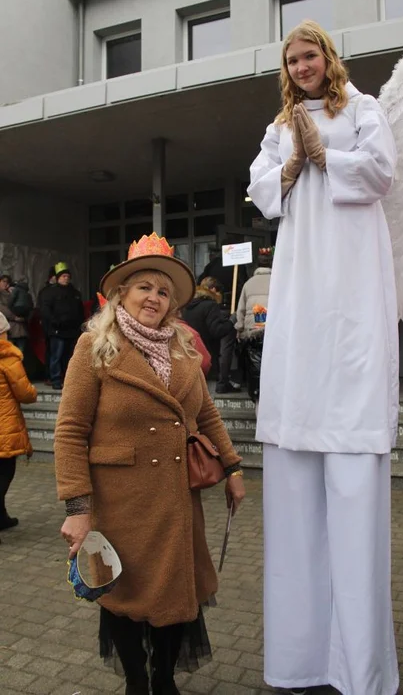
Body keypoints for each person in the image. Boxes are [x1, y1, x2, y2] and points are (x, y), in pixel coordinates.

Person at [248, 21, 399, 695]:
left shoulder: (362, 109)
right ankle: (300, 660)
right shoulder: (278, 124)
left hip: (353, 281)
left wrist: (326, 158)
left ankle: (360, 668)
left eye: (310, 54)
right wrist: (289, 164)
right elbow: (260, 189)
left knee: (354, 490)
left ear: (327, 58)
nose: (302, 65)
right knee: (293, 498)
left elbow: (382, 172)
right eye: (292, 58)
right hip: (301, 286)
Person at [54, 233, 245, 695]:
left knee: (178, 594)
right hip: (121, 504)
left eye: (163, 291)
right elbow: (70, 430)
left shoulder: (183, 349)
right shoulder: (93, 348)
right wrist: (77, 509)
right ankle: (137, 682)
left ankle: (163, 679)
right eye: (144, 288)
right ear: (122, 293)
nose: (154, 298)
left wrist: (233, 468)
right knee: (124, 596)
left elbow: (206, 414)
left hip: (177, 499)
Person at [0, 312, 37, 531]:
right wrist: (34, 392)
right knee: (5, 473)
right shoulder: (7, 357)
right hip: (4, 426)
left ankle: (2, 517)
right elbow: (25, 393)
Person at [182, 277, 239, 393]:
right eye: (218, 291)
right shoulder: (211, 305)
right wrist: (231, 321)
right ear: (213, 289)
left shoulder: (187, 305)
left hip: (189, 357)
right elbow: (216, 331)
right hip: (207, 356)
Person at [236, 248, 273, 407]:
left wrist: (239, 329)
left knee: (256, 370)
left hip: (253, 333)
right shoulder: (279, 281)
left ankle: (258, 398)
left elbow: (241, 310)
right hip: (274, 331)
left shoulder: (248, 284)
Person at [40, 262, 84, 390]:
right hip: (57, 330)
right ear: (58, 277)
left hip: (72, 330)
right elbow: (46, 310)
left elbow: (80, 310)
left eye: (67, 276)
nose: (66, 278)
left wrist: (79, 324)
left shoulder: (75, 293)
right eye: (63, 276)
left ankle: (69, 378)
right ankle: (56, 379)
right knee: (56, 356)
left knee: (70, 356)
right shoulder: (50, 292)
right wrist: (55, 322)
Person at [196, 242, 248, 311]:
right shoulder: (238, 265)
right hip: (231, 302)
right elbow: (243, 283)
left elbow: (200, 282)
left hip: (214, 302)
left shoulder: (212, 264)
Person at [0, 274, 29, 356]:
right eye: (4, 281)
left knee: (19, 354)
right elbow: (2, 308)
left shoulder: (13, 292)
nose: (6, 284)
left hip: (20, 328)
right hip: (7, 328)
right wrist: (14, 317)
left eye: (7, 282)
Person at [37, 266, 57, 383]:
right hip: (50, 327)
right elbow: (44, 310)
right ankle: (49, 375)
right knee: (52, 351)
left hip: (52, 326)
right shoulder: (46, 292)